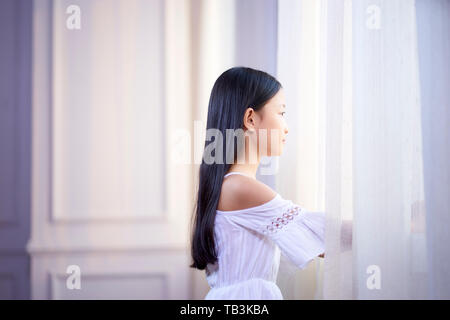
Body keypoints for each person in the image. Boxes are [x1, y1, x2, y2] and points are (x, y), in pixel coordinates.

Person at [189, 67, 325, 300]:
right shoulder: (240, 188)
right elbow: (316, 232)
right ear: (251, 119)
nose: (286, 126)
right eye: (282, 113)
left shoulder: (229, 185)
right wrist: (387, 228)